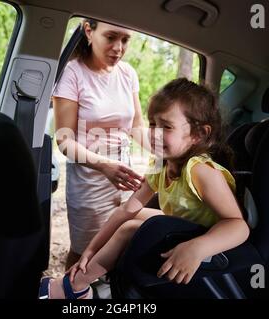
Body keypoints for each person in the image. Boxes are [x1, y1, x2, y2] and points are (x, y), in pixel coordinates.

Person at [39, 77, 250, 299]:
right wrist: (90, 251)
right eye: (152, 124)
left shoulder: (201, 171)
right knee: (133, 214)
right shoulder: (162, 164)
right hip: (182, 226)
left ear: (199, 134)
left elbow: (237, 225)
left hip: (206, 241)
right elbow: (127, 209)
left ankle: (76, 288)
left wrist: (198, 248)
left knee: (128, 229)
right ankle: (90, 277)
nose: (154, 134)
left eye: (166, 127)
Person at [52, 19, 147, 270]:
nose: (119, 47)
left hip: (124, 174)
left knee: (120, 244)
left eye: (125, 40)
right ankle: (68, 293)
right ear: (89, 31)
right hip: (89, 178)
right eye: (111, 37)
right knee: (84, 251)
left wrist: (171, 151)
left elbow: (136, 126)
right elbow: (63, 140)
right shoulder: (73, 73)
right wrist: (104, 165)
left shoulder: (128, 74)